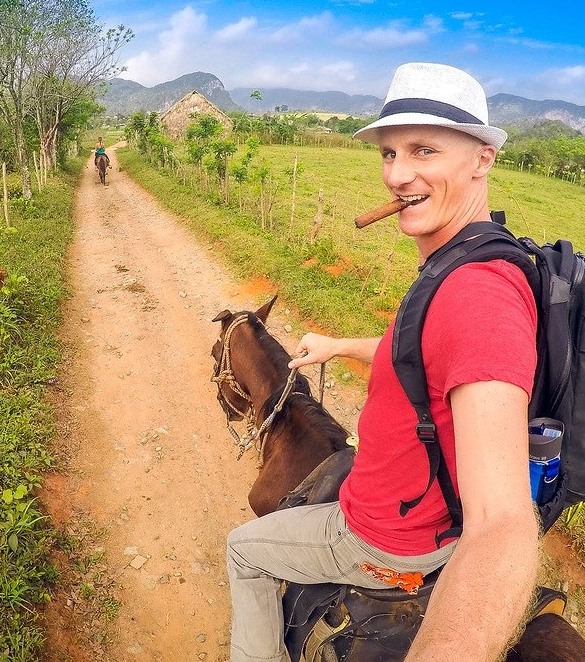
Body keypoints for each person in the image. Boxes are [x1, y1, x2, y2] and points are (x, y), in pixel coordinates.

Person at [225, 62, 540, 661]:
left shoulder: (478, 298)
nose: (397, 174)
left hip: (388, 538)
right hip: (420, 507)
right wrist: (340, 346)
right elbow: (421, 354)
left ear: (482, 159)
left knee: (244, 550)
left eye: (424, 150)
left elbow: (502, 523)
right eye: (389, 153)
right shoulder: (460, 261)